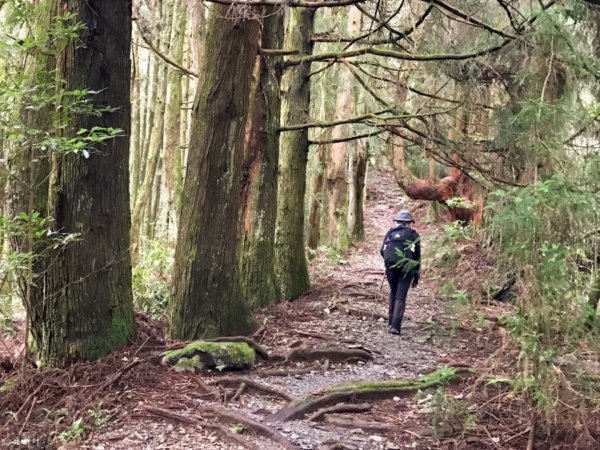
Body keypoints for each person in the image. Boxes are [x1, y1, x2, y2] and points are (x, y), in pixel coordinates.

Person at [380, 210, 421, 335]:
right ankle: (395, 326)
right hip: (407, 269)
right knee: (400, 296)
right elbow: (417, 257)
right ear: (409, 223)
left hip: (391, 268)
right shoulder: (414, 235)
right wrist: (416, 276)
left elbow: (382, 251)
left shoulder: (390, 233)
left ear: (397, 221)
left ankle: (390, 322)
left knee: (393, 292)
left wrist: (389, 263)